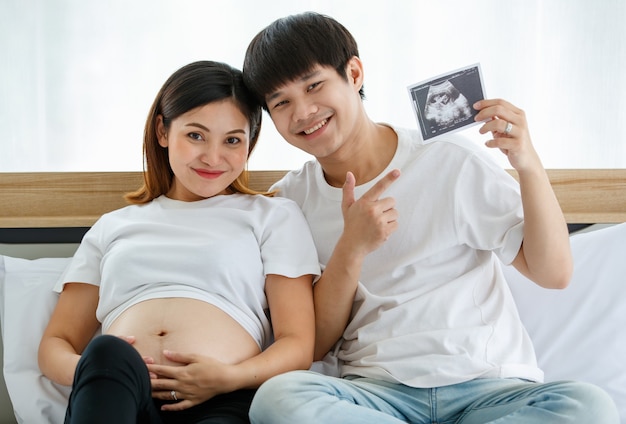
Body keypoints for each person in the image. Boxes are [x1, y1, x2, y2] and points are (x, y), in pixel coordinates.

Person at [241, 11, 619, 424]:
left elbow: (554, 273)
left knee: (590, 406)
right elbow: (314, 345)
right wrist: (351, 248)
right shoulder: (289, 201)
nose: (304, 111)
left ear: (353, 72)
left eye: (314, 86)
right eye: (281, 102)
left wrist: (527, 164)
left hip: (490, 389)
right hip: (375, 395)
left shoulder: (449, 161)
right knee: (277, 398)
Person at [38, 60, 320, 424]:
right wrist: (96, 369)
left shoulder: (273, 216)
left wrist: (228, 377)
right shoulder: (114, 226)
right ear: (163, 131)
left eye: (232, 140)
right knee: (106, 350)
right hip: (119, 391)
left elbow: (297, 344)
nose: (213, 157)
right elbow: (55, 344)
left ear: (249, 145)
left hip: (223, 395)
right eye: (196, 135)